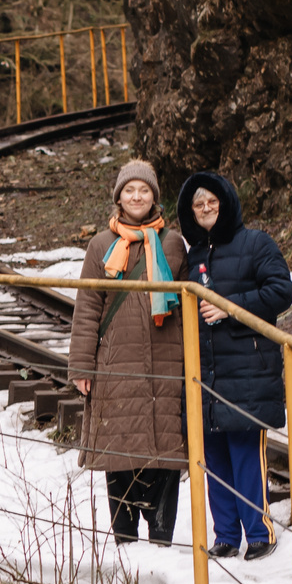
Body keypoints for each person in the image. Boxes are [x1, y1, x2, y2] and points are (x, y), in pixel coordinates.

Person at [174, 170, 292, 560]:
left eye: (212, 201)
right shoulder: (193, 257)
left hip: (246, 369)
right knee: (214, 458)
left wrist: (228, 307)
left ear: (225, 202)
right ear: (190, 213)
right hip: (206, 371)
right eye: (198, 204)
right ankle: (225, 535)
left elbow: (281, 291)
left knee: (245, 453)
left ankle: (259, 535)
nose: (206, 208)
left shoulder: (256, 243)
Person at [66, 160, 188, 544]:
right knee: (117, 450)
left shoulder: (171, 242)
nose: (137, 197)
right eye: (129, 191)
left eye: (144, 190)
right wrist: (81, 366)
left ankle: (162, 536)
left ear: (155, 197)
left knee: (166, 445)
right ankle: (124, 538)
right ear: (119, 197)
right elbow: (87, 309)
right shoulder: (101, 245)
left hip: (165, 360)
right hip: (115, 364)